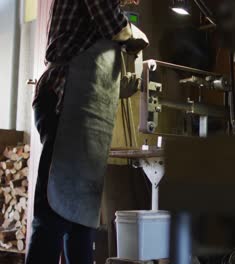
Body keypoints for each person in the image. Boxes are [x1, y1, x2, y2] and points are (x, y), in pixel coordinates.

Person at [26, 0, 148, 263]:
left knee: (83, 219)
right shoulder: (108, 14)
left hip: (85, 111)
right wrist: (133, 33)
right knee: (55, 210)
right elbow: (113, 23)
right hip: (64, 98)